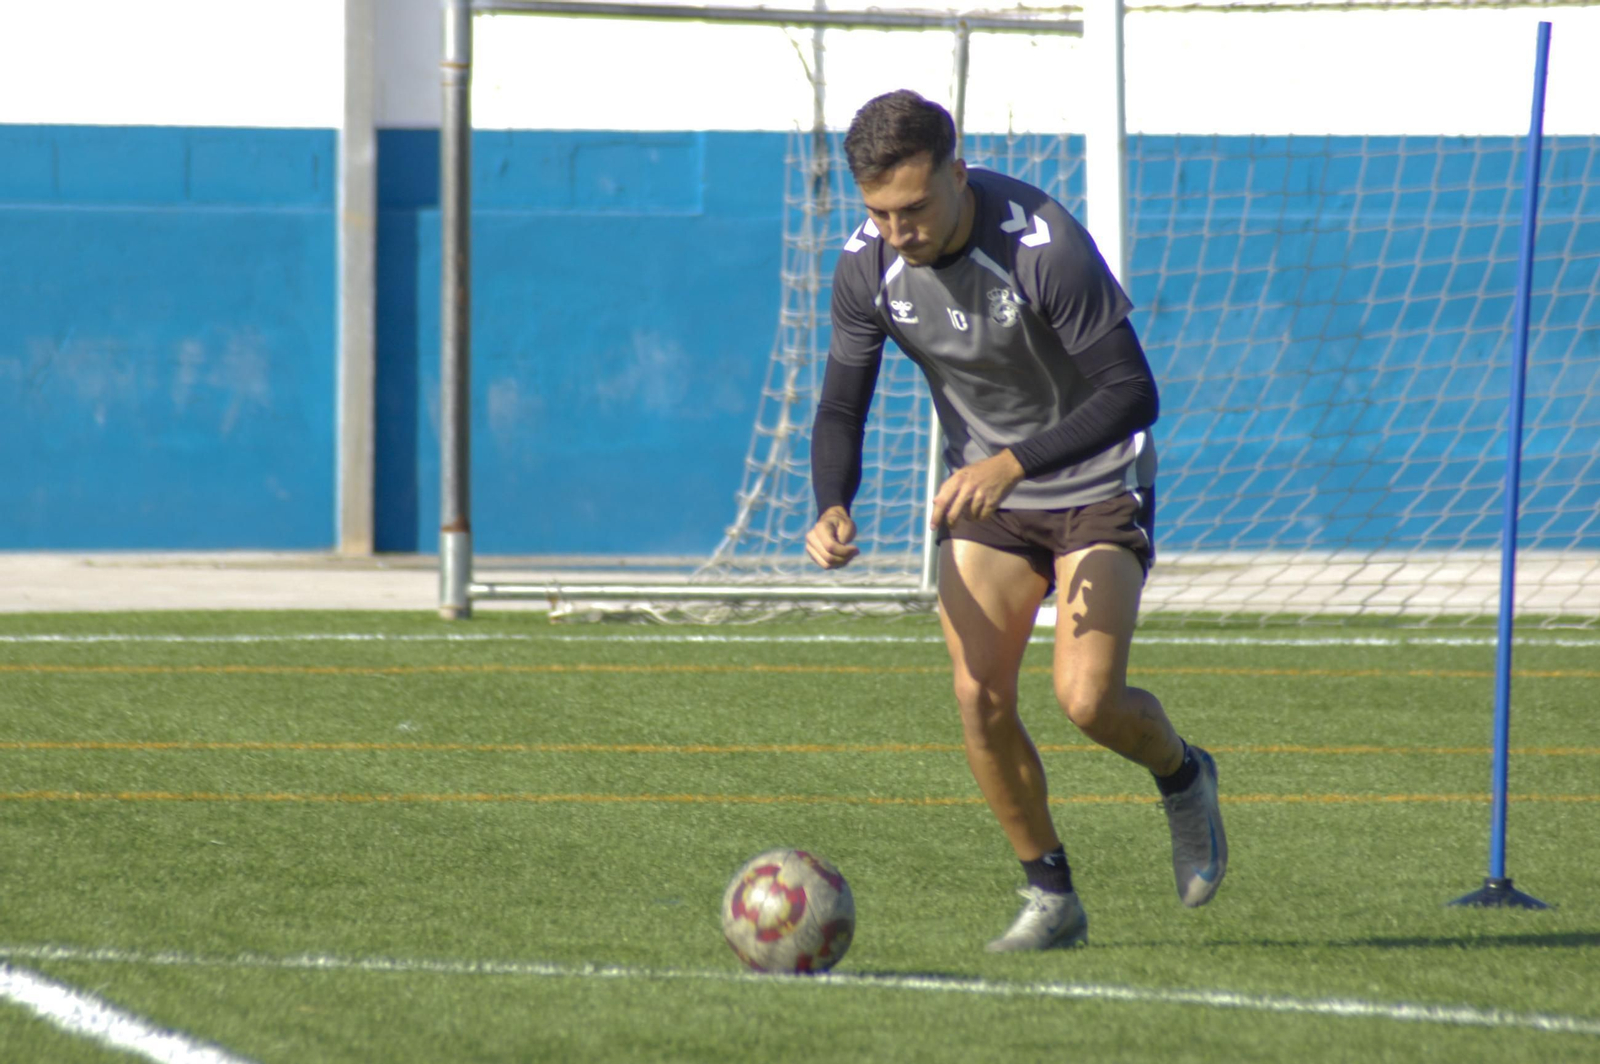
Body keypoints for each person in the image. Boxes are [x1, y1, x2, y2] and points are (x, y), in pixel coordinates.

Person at [804, 89, 1228, 952]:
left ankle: (1184, 776)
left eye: (915, 207)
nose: (899, 231)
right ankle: (1051, 895)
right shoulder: (866, 266)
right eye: (880, 212)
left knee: (1087, 701)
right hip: (990, 503)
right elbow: (841, 406)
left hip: (1095, 484)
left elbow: (1133, 393)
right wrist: (832, 506)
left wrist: (1010, 464)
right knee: (978, 696)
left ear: (959, 174)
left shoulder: (1045, 245)